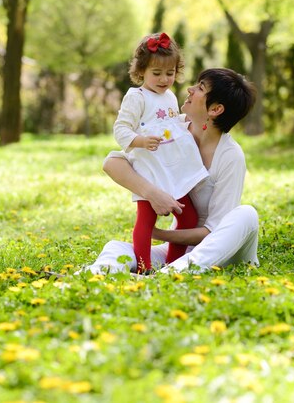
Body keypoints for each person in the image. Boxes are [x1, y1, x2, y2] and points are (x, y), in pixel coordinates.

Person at [76, 67, 259, 276]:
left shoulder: (230, 156)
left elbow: (212, 232)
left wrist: (158, 233)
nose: (189, 89)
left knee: (247, 214)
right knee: (116, 248)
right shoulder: (172, 129)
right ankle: (90, 277)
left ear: (215, 109)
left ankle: (163, 277)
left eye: (200, 87)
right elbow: (112, 163)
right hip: (180, 252)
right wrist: (153, 194)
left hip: (221, 252)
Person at [113, 32, 209, 274]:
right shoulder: (137, 97)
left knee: (188, 218)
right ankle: (144, 268)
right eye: (156, 73)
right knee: (146, 220)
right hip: (149, 170)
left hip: (173, 168)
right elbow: (121, 128)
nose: (164, 79)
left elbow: (168, 123)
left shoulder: (169, 96)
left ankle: (172, 263)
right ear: (141, 71)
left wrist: (183, 120)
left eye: (170, 73)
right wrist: (140, 140)